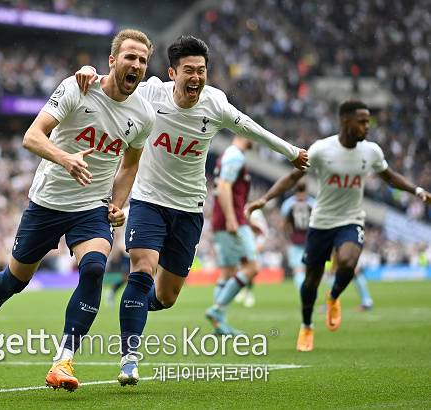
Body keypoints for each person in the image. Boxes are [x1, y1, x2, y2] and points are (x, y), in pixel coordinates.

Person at [75, 35, 309, 385]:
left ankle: (133, 307)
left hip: (188, 209)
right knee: (142, 268)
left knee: (166, 297)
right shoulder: (150, 93)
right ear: (172, 73)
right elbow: (112, 87)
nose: (197, 77)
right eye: (189, 71)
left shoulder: (214, 103)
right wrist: (88, 72)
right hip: (148, 200)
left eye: (202, 70)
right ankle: (129, 358)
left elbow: (249, 126)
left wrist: (290, 151)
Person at [0, 29, 156, 392]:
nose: (137, 65)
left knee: (95, 268)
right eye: (130, 57)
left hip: (91, 206)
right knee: (14, 281)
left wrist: (118, 202)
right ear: (112, 61)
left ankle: (62, 361)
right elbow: (32, 136)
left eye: (143, 60)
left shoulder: (143, 115)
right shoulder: (77, 87)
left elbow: (130, 164)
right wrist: (65, 159)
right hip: (47, 203)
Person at [246, 100, 431, 352]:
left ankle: (333, 297)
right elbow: (292, 177)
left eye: (369, 121)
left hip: (351, 219)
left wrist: (417, 190)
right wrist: (265, 199)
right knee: (311, 281)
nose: (368, 126)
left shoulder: (371, 151)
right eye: (362, 121)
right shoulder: (322, 150)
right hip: (321, 222)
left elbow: (389, 177)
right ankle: (307, 326)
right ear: (346, 121)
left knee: (347, 262)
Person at [205, 136, 261, 335]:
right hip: (230, 221)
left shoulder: (227, 155)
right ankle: (217, 310)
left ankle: (220, 325)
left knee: (227, 272)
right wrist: (232, 219)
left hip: (225, 220)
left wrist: (246, 221)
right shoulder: (235, 156)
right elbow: (224, 187)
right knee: (252, 268)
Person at [280, 180, 316, 289]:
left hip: (295, 240)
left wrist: (286, 238)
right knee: (309, 271)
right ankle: (308, 294)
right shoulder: (313, 203)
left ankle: (303, 293)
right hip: (311, 240)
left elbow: (283, 225)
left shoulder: (288, 204)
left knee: (298, 270)